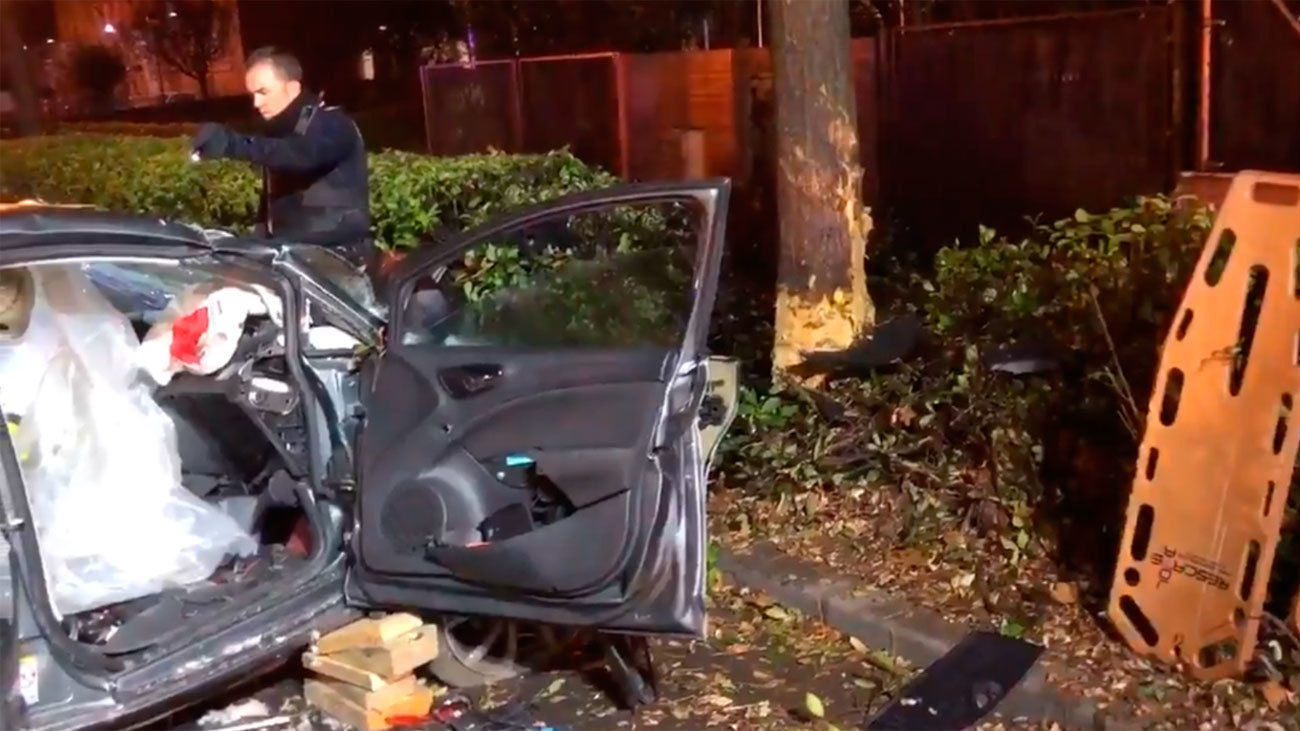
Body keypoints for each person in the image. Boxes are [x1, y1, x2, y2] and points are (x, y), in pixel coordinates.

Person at [190, 47, 373, 270]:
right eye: (252, 95)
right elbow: (273, 205)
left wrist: (233, 144)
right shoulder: (281, 130)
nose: (256, 103)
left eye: (263, 92)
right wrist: (255, 243)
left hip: (339, 261)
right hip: (294, 259)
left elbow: (301, 155)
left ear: (293, 88)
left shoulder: (331, 123)